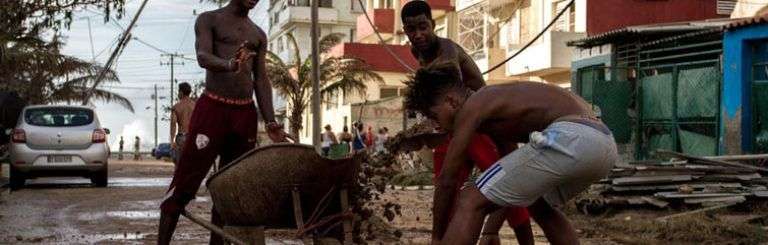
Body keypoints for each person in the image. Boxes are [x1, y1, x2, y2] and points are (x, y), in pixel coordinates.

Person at [403, 66, 617, 245]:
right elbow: (511, 184)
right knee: (539, 205)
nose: (436, 124)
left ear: (451, 101)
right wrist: (490, 230)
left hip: (572, 135)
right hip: (603, 143)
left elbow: (447, 179)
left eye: (433, 115)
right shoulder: (496, 109)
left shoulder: (474, 104)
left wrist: (437, 236)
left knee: (469, 197)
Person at [157, 0, 293, 244]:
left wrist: (271, 121)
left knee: (230, 189)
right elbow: (203, 56)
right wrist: (229, 65)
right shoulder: (209, 20)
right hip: (212, 110)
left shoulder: (258, 34)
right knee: (184, 183)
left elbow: (261, 79)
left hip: (244, 116)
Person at [401, 1, 533, 243]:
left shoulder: (447, 48)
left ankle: (516, 238)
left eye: (423, 27)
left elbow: (449, 75)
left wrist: (421, 79)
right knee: (445, 188)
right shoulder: (416, 52)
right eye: (411, 30)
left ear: (433, 25)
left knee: (504, 181)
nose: (418, 34)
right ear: (405, 31)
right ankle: (442, 238)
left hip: (481, 122)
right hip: (452, 125)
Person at [170, 82, 195, 166]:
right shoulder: (195, 106)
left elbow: (173, 124)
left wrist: (172, 140)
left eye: (178, 91)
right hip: (192, 137)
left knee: (179, 165)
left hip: (182, 138)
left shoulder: (176, 107)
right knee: (191, 165)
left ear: (181, 92)